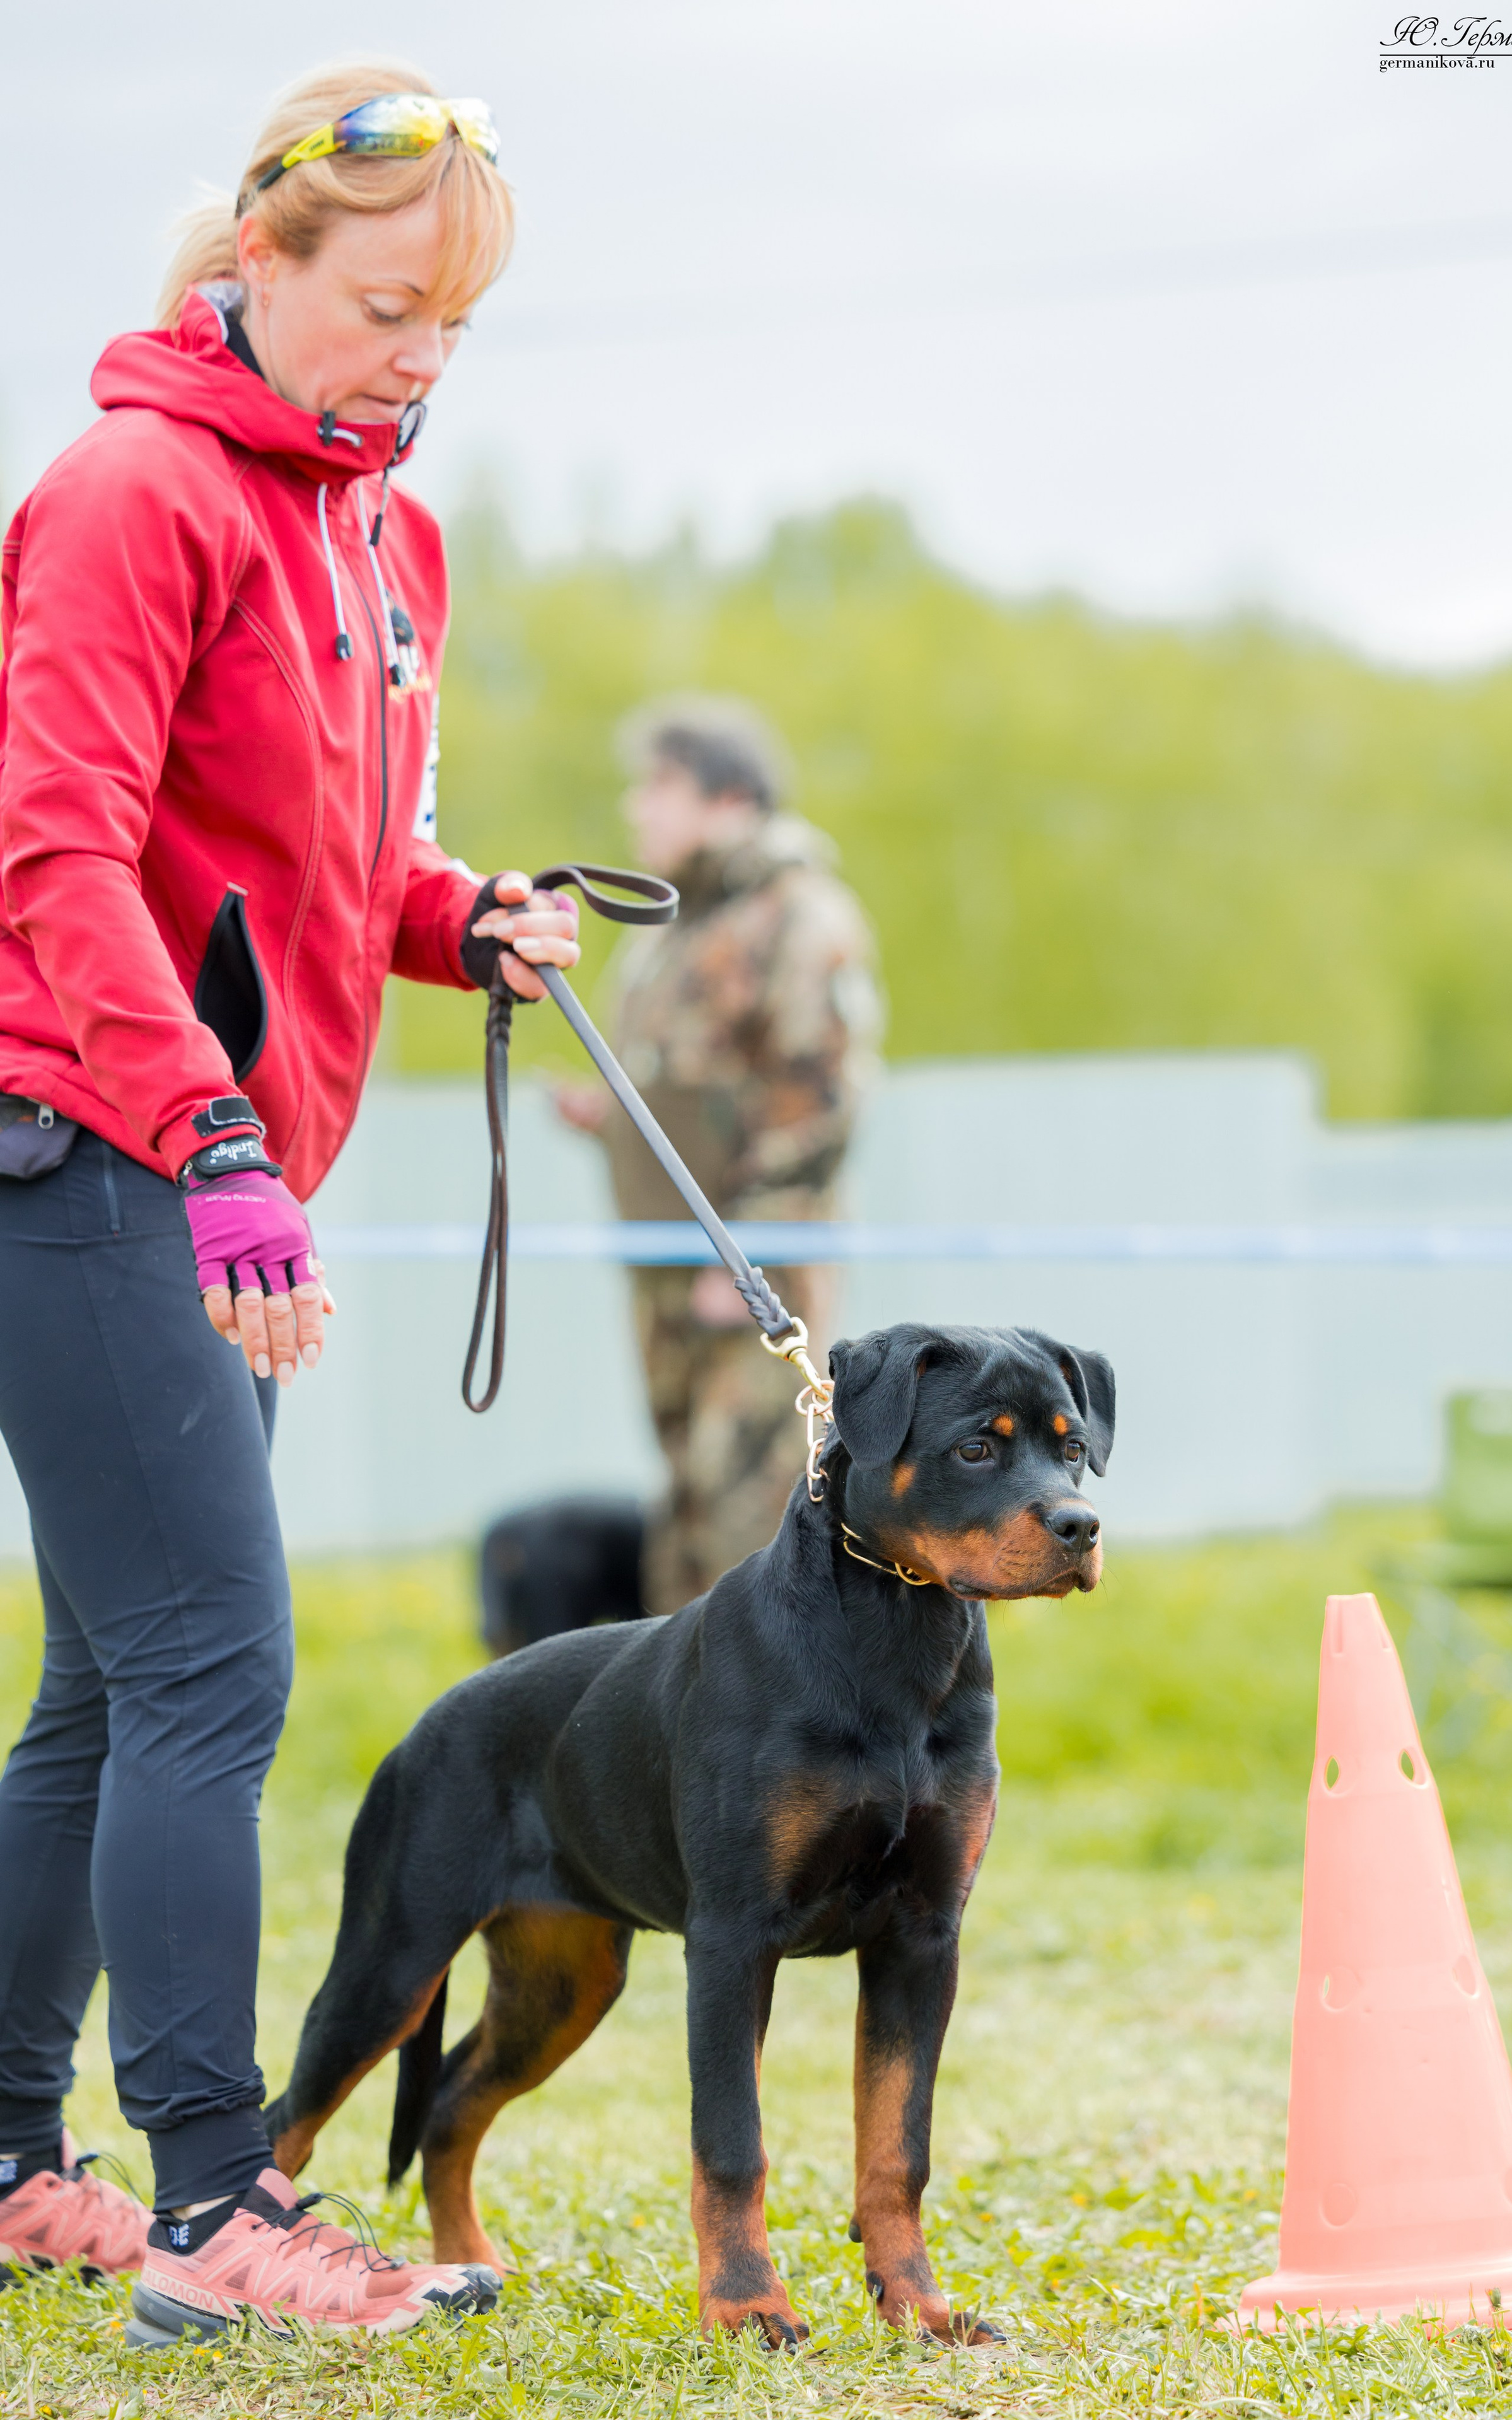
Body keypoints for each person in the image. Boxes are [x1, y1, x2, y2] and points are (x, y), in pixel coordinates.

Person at [0, 62, 583, 2342]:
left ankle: (17, 2154)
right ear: (257, 261)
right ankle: (214, 2200)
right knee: (214, 1668)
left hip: (219, 1156)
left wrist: (463, 918)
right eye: (385, 303)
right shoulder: (131, 494)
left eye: (457, 320)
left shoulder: (384, 535)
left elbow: (314, 860)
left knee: (105, 1686)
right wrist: (212, 1138)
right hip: (94, 1146)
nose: (421, 354)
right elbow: (54, 855)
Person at [556, 696, 881, 1615]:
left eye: (662, 784)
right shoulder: (669, 925)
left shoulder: (799, 915)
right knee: (689, 1511)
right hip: (665, 1271)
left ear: (732, 797)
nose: (638, 807)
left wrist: (749, 1258)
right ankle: (691, 1745)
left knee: (756, 1516)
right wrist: (610, 1115)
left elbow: (821, 1096)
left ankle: (788, 1747)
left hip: (750, 1281)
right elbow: (700, 1082)